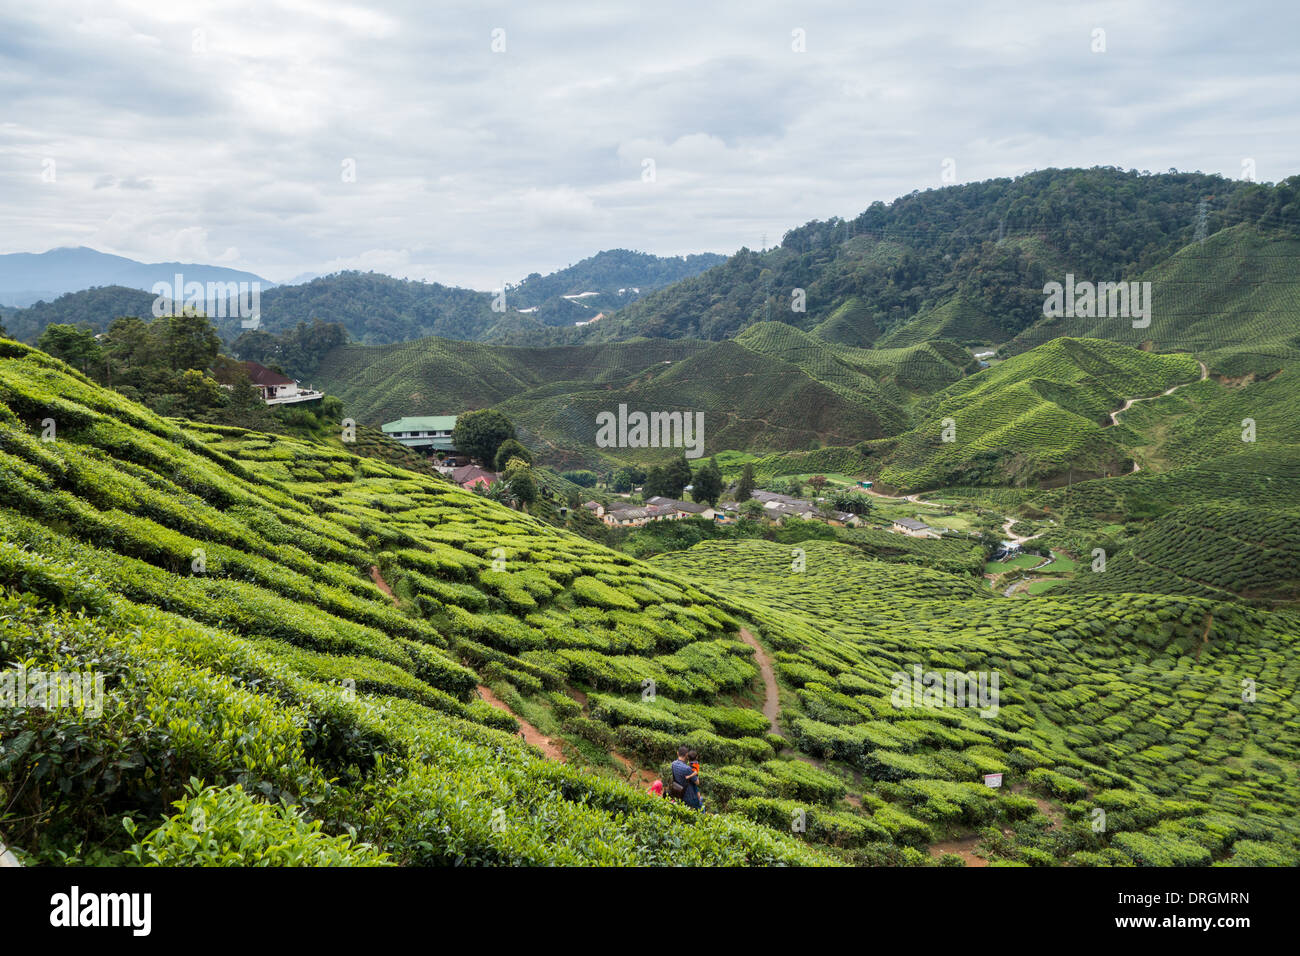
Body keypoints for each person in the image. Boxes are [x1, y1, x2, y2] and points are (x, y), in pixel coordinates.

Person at [670, 745, 701, 810]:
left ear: (677, 753)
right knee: (701, 808)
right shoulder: (688, 769)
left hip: (678, 793)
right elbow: (697, 782)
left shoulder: (673, 764)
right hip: (689, 796)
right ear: (687, 755)